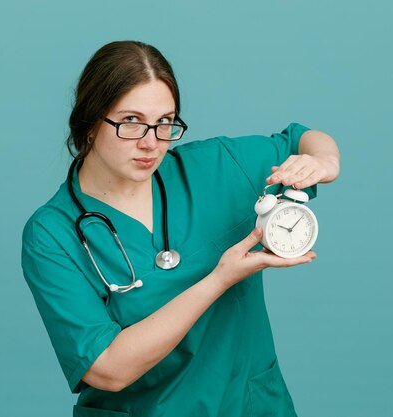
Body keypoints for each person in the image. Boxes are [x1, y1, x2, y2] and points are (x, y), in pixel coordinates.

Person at [21, 40, 340, 417]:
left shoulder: (214, 168)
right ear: (90, 122)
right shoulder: (52, 234)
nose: (151, 143)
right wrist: (219, 279)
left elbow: (300, 137)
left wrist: (324, 162)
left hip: (247, 405)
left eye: (165, 123)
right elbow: (106, 369)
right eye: (131, 122)